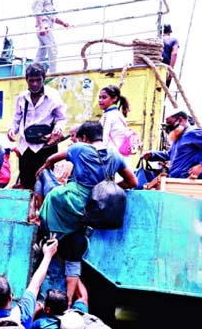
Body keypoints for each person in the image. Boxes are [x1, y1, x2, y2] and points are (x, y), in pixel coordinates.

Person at [38, 121, 137, 304]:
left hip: (72, 202)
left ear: (84, 137)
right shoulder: (115, 154)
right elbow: (133, 182)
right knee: (75, 252)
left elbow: (52, 159)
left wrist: (43, 168)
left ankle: (49, 236)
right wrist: (107, 189)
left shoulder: (80, 148)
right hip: (95, 209)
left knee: (50, 194)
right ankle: (67, 302)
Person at [7, 63, 68, 199]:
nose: (35, 84)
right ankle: (29, 214)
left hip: (45, 147)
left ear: (43, 78)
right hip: (26, 147)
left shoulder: (53, 96)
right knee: (26, 183)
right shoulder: (22, 97)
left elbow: (62, 118)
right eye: (31, 80)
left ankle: (43, 214)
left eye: (38, 80)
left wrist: (57, 130)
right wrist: (12, 130)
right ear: (26, 80)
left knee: (46, 182)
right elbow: (16, 117)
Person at [141, 110, 202, 179]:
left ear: (180, 120)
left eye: (169, 123)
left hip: (189, 182)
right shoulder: (179, 137)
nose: (168, 127)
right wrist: (152, 155)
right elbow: (170, 154)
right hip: (177, 180)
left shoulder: (192, 133)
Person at [32, 0, 69, 74]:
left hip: (45, 28)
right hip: (44, 28)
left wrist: (63, 23)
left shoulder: (49, 1)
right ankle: (53, 73)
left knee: (42, 51)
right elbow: (38, 13)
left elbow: (52, 17)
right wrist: (41, 27)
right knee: (53, 49)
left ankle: (34, 70)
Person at [98, 85, 132, 154]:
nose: (100, 100)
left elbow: (103, 138)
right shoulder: (118, 114)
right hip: (122, 155)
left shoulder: (107, 116)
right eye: (100, 97)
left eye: (104, 97)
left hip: (111, 155)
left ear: (114, 98)